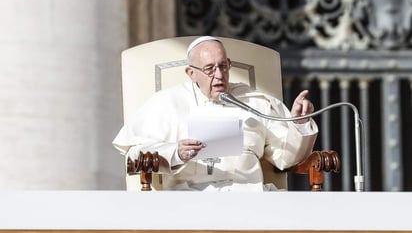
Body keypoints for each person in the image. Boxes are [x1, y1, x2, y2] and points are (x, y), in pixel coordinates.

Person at [113, 36, 318, 191]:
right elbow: (133, 155)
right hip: (189, 204)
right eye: (209, 69)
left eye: (223, 66)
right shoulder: (167, 102)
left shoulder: (255, 101)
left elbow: (289, 158)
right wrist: (175, 152)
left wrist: (298, 123)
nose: (219, 75)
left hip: (249, 201)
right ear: (191, 73)